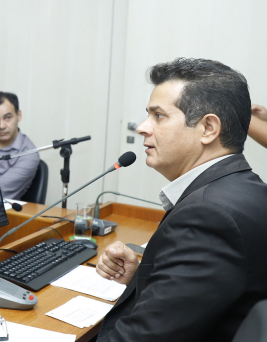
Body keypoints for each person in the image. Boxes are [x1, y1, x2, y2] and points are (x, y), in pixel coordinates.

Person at [95, 58, 267, 342]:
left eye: (158, 116)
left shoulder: (209, 216)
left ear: (208, 128)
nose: (142, 127)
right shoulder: (246, 188)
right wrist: (146, 276)